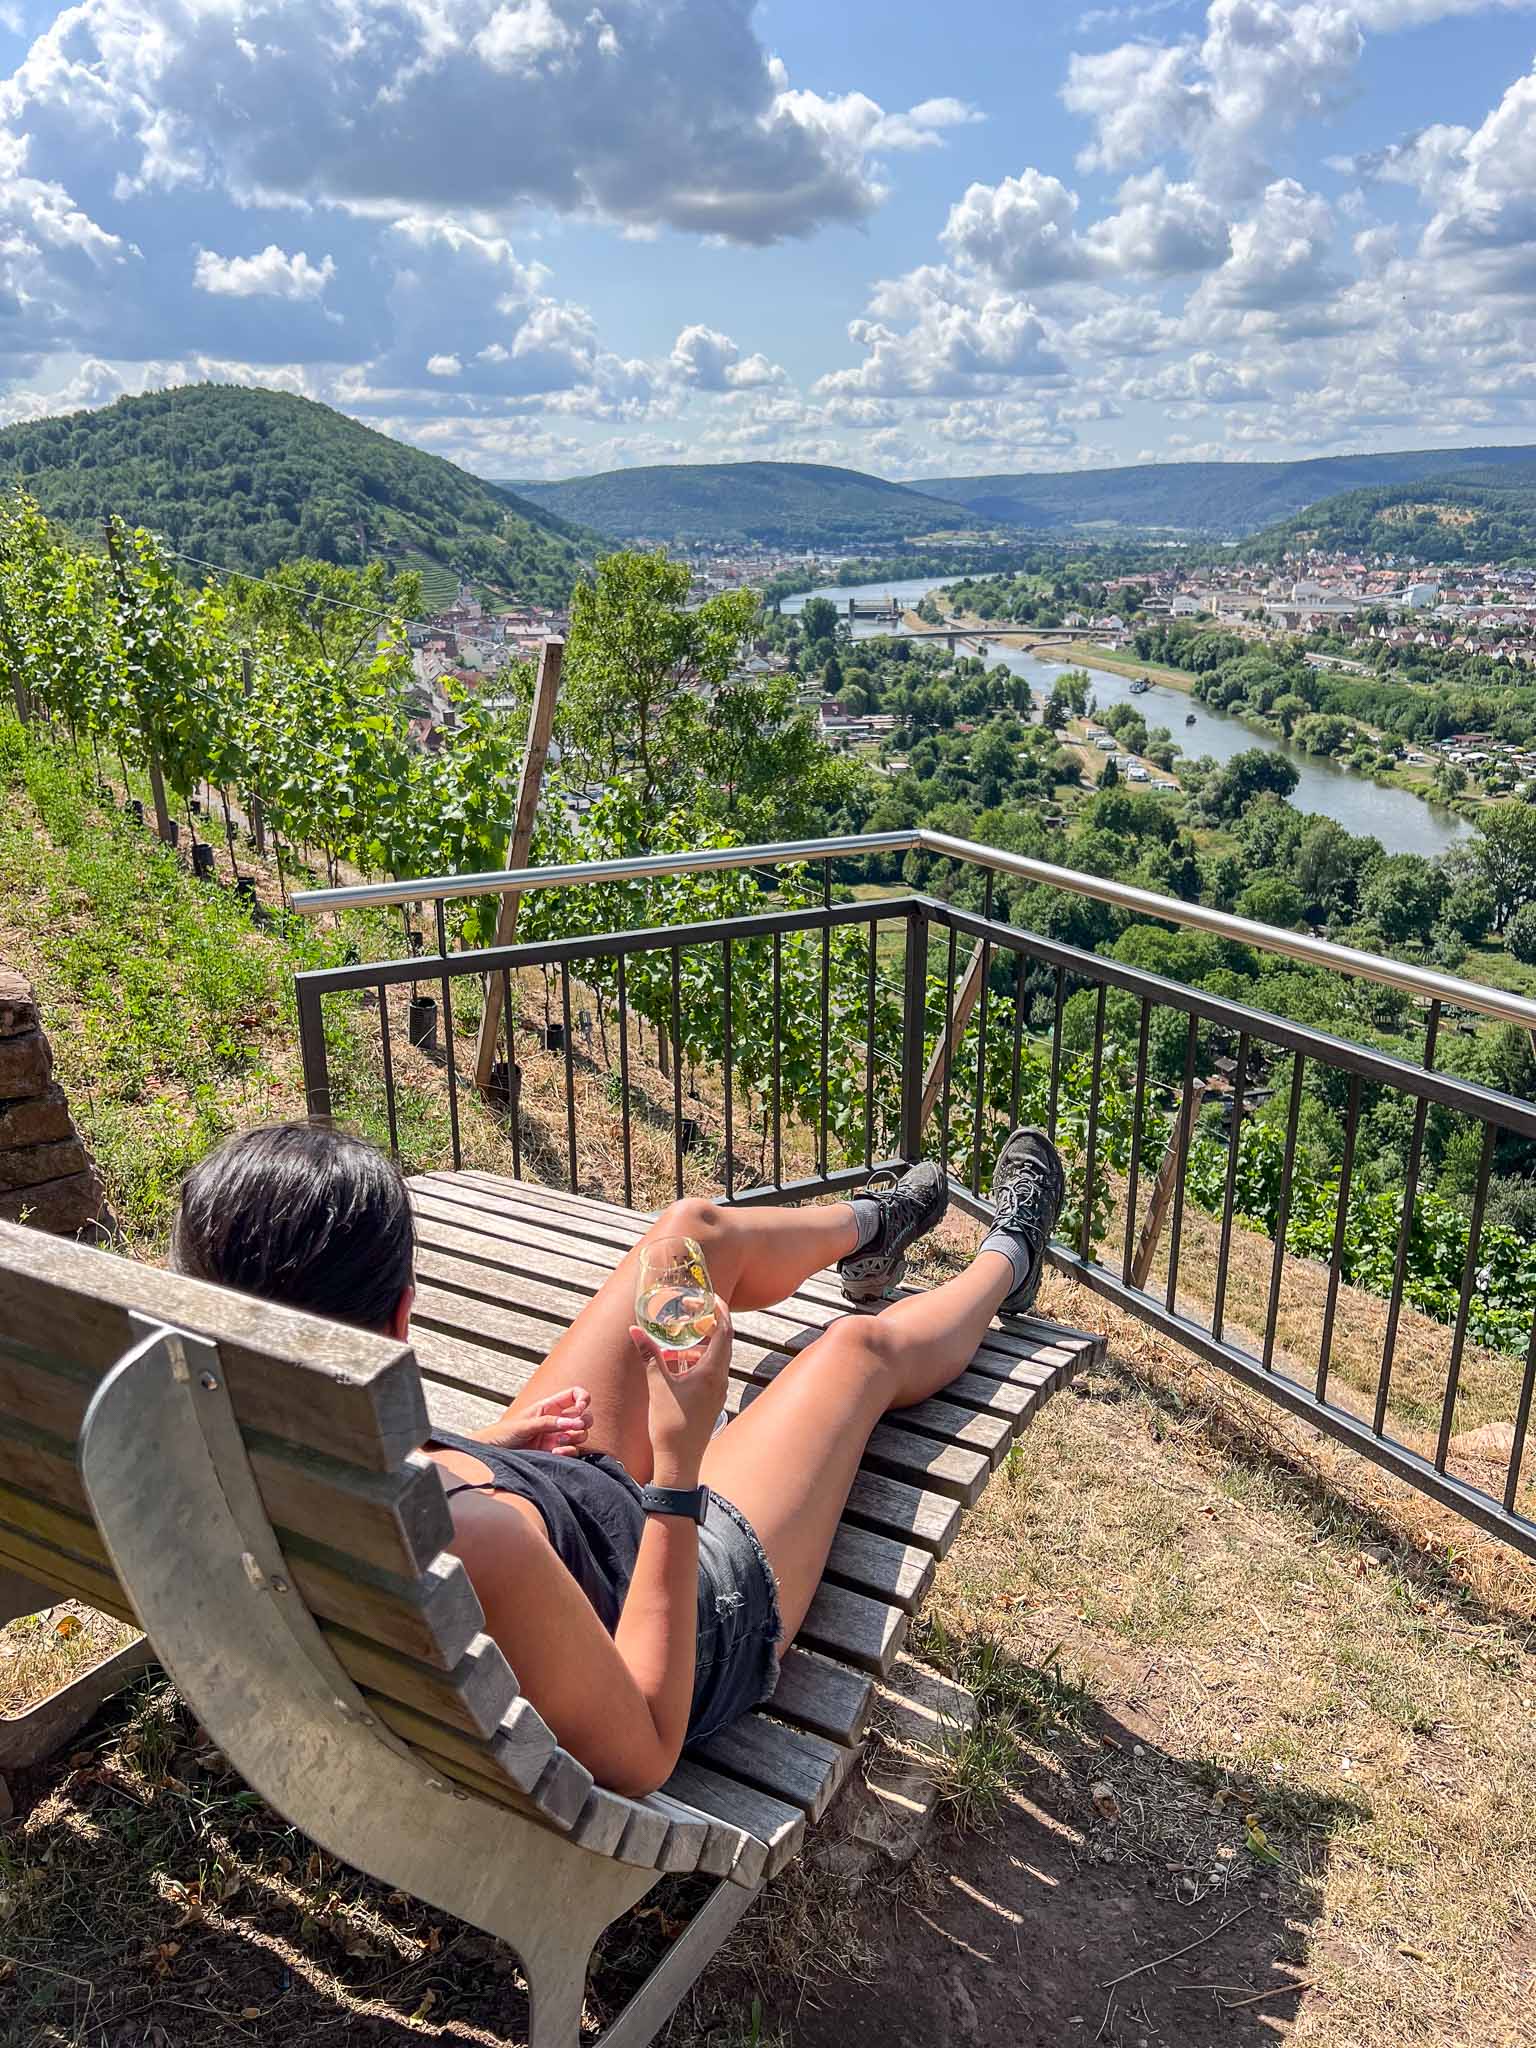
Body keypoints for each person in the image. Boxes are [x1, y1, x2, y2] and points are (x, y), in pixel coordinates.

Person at [171, 1123, 1066, 1798]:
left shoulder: (201, 1429)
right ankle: (1009, 1259)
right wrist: (680, 1464)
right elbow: (642, 1750)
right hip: (678, 1603)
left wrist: (471, 1452)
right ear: (403, 1316)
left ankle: (872, 1226)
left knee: (686, 1240)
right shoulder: (476, 1545)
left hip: (545, 1494)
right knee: (852, 1355)